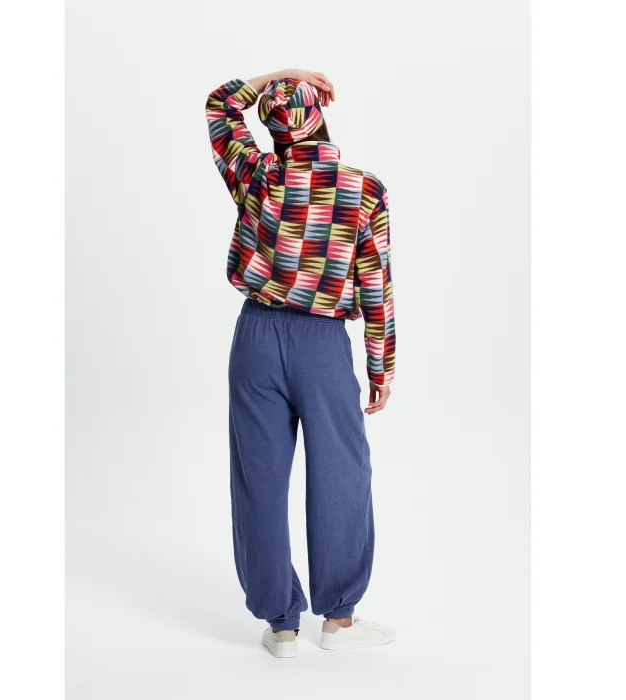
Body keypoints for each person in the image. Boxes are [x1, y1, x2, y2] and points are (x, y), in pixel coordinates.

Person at [205, 69, 396, 657]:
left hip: (256, 338)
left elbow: (220, 106)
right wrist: (380, 366)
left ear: (272, 126)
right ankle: (338, 622)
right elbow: (375, 285)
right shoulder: (363, 190)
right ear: (321, 116)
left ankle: (281, 626)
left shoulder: (256, 174)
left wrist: (272, 78)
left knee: (259, 479)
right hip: (322, 345)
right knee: (341, 473)